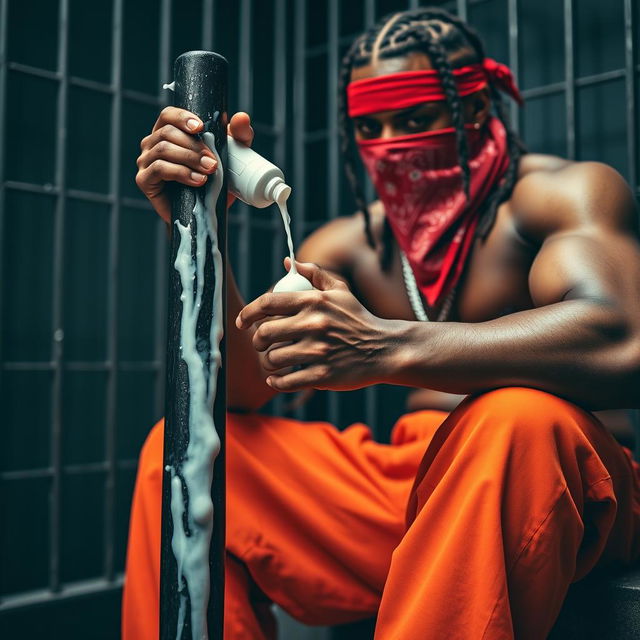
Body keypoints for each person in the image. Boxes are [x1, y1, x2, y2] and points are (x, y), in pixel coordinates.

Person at [123, 7, 640, 639]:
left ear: (474, 110)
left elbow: (626, 340)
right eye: (372, 125)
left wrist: (383, 345)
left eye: (416, 119)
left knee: (515, 416)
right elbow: (244, 391)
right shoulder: (352, 244)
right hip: (411, 488)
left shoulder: (559, 196)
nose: (392, 142)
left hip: (560, 482)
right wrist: (203, 228)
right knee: (175, 456)